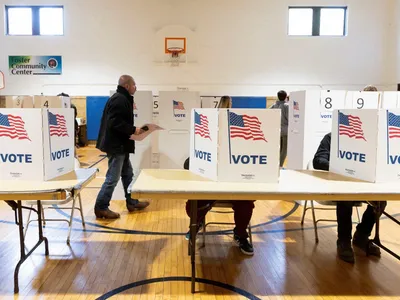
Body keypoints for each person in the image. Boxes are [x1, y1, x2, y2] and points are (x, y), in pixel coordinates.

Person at [184, 96, 255, 255]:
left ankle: (240, 234)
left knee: (246, 203)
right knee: (194, 203)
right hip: (210, 185)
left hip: (233, 184)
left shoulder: (241, 141)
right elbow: (188, 163)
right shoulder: (205, 139)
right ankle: (196, 224)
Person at [313, 132, 386, 263]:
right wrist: (342, 168)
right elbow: (318, 161)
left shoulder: (367, 140)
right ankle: (344, 241)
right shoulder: (331, 137)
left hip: (363, 185)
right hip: (339, 185)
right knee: (346, 198)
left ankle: (362, 236)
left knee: (380, 201)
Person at [95, 75, 158, 219]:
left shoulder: (123, 98)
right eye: (134, 85)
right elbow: (114, 123)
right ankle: (101, 207)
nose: (136, 87)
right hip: (117, 146)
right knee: (112, 178)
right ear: (127, 86)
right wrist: (133, 129)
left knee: (127, 174)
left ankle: (132, 202)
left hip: (121, 145)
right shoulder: (119, 99)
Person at [269, 90, 289, 167]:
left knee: (279, 149)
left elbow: (268, 114)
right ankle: (280, 165)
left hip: (277, 130)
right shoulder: (286, 106)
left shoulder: (274, 105)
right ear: (285, 96)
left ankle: (276, 164)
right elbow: (290, 118)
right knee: (284, 149)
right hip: (285, 131)